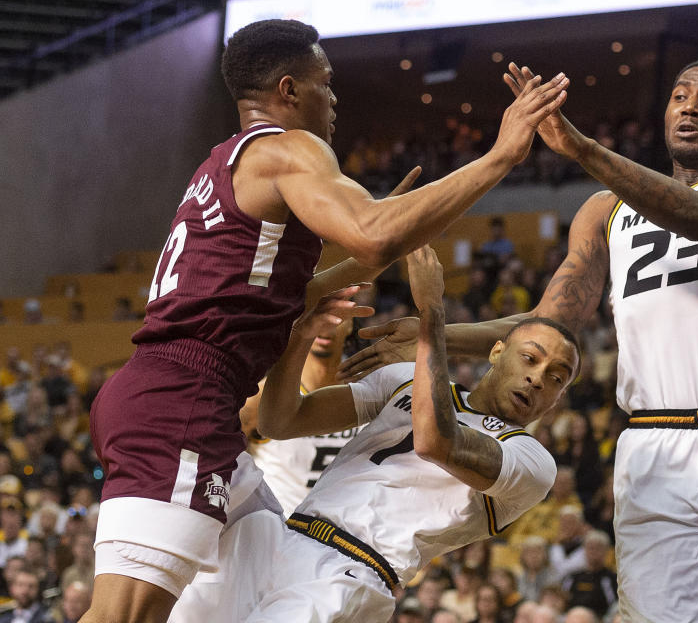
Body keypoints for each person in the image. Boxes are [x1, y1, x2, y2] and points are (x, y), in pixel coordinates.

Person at [83, 19, 569, 623]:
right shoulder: (292, 146)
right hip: (186, 400)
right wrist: (501, 157)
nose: (334, 100)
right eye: (327, 84)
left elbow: (308, 282)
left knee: (251, 542)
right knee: (120, 619)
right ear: (289, 90)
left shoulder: (222, 163)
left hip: (173, 395)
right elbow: (372, 236)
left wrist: (366, 252)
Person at [341, 58, 698, 622]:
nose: (689, 105)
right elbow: (545, 327)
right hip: (653, 447)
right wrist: (430, 332)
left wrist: (582, 148)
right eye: (680, 95)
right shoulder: (604, 210)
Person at [168, 246, 581, 622]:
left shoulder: (532, 461)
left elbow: (436, 441)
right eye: (530, 358)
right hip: (283, 534)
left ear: (558, 398)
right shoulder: (404, 379)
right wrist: (299, 336)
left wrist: (431, 316)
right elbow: (281, 421)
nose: (536, 378)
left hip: (352, 571)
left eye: (556, 378)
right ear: (496, 352)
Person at [241, 317, 360, 516]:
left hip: (340, 533)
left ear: (350, 323)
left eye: (339, 315)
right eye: (320, 314)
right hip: (278, 529)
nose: (326, 326)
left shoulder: (368, 392)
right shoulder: (263, 396)